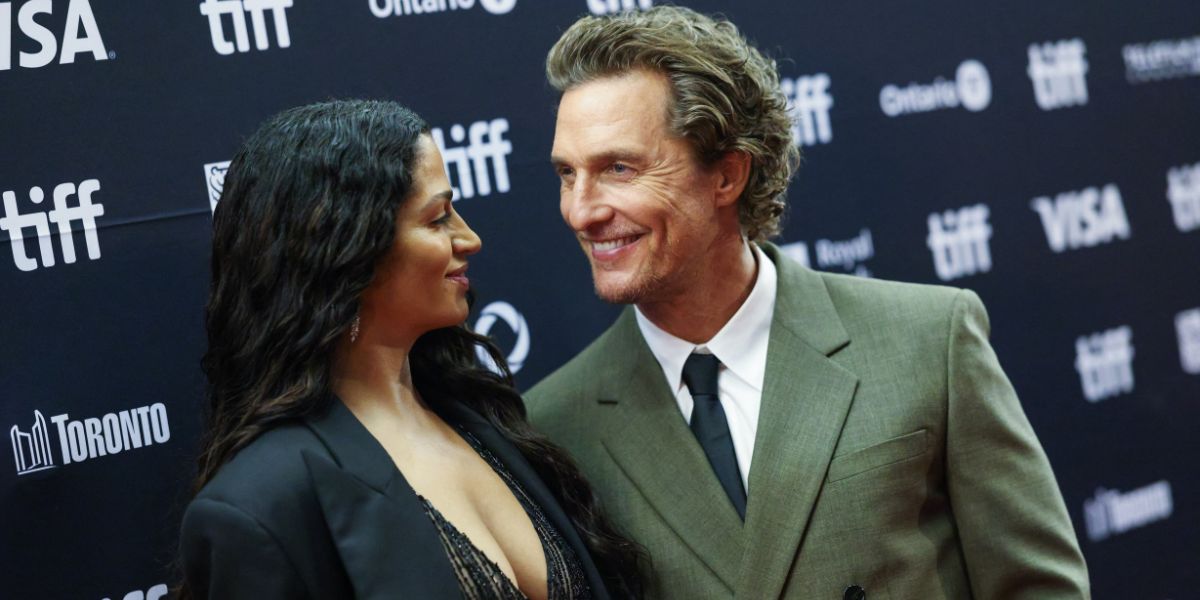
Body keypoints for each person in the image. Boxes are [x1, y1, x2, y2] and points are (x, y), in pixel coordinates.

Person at [525, 7, 1090, 600]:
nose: (581, 210)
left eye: (619, 168)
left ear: (727, 175)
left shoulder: (928, 339)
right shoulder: (556, 425)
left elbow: (1038, 587)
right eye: (567, 174)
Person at [178, 99, 641, 600]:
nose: (470, 238)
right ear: (346, 248)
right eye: (438, 218)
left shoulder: (483, 422)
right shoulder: (260, 507)